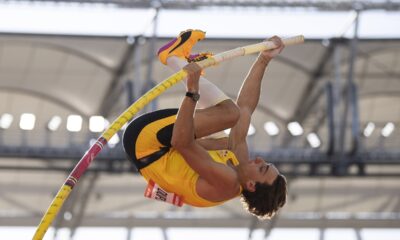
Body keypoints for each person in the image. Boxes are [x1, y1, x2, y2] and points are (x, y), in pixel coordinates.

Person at [123, 29, 287, 219]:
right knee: (231, 130)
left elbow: (181, 142)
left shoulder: (228, 183)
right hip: (167, 148)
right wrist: (264, 60)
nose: (259, 159)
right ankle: (179, 61)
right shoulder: (239, 165)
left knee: (229, 115)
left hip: (146, 145)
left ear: (251, 185)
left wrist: (192, 92)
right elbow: (245, 108)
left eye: (262, 168)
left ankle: (174, 59)